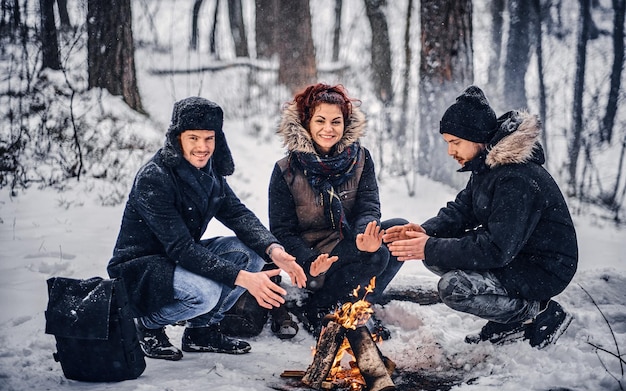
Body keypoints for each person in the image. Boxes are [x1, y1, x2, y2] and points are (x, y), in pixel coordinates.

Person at [107, 97, 307, 361]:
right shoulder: (154, 178)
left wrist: (274, 249)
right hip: (141, 268)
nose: (202, 147)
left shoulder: (210, 173)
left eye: (208, 139)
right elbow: (181, 247)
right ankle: (149, 324)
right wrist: (244, 279)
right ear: (177, 138)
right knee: (205, 293)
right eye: (193, 138)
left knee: (252, 254)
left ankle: (202, 331)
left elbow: (237, 213)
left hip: (176, 258)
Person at [384, 86, 578, 349]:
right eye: (448, 143)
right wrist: (425, 232)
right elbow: (462, 211)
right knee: (435, 257)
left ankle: (540, 311)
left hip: (542, 269)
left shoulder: (515, 177)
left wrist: (428, 246)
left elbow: (496, 249)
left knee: (454, 288)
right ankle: (509, 318)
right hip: (516, 257)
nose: (450, 151)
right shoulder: (487, 167)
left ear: (476, 139)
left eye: (455, 143)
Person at [269, 83, 407, 339]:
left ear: (345, 124)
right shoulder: (286, 170)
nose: (328, 129)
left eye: (336, 121)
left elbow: (368, 204)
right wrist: (309, 260)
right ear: (306, 122)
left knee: (398, 233)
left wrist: (364, 234)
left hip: (347, 241)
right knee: (378, 258)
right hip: (312, 260)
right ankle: (319, 308)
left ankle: (358, 307)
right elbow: (281, 230)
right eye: (320, 120)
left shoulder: (361, 158)